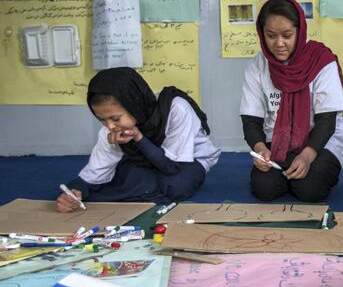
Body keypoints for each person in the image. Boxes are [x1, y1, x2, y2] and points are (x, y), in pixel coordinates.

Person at [56, 67, 220, 211]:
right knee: (132, 182)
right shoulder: (111, 128)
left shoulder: (176, 109)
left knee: (176, 186)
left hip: (187, 160)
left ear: (134, 104)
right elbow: (95, 172)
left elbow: (171, 166)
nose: (110, 126)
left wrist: (139, 137)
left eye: (115, 118)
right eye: (102, 120)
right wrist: (75, 190)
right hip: (147, 160)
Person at [240, 0, 343, 202]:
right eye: (271, 35)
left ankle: (308, 171)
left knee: (310, 190)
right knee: (264, 189)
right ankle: (286, 173)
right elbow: (250, 119)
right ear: (262, 34)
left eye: (287, 35)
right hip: (278, 140)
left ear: (299, 32)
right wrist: (261, 150)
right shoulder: (258, 65)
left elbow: (327, 122)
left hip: (320, 140)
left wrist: (307, 156)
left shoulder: (322, 61)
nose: (279, 43)